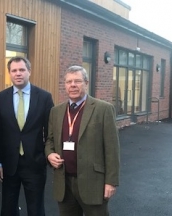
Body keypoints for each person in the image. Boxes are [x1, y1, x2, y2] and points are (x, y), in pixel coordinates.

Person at [45, 65, 120, 216]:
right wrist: (49, 154)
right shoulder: (56, 111)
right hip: (64, 182)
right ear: (65, 85)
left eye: (77, 81)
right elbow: (50, 140)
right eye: (69, 82)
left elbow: (112, 148)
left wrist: (111, 181)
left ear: (86, 83)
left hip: (93, 183)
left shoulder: (103, 109)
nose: (73, 85)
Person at [0, 56, 54, 216]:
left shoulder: (44, 97)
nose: (18, 73)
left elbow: (51, 132)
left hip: (34, 163)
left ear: (29, 71)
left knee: (35, 209)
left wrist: (46, 156)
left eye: (22, 70)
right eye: (14, 70)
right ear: (9, 73)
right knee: (8, 208)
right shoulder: (1, 98)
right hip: (9, 164)